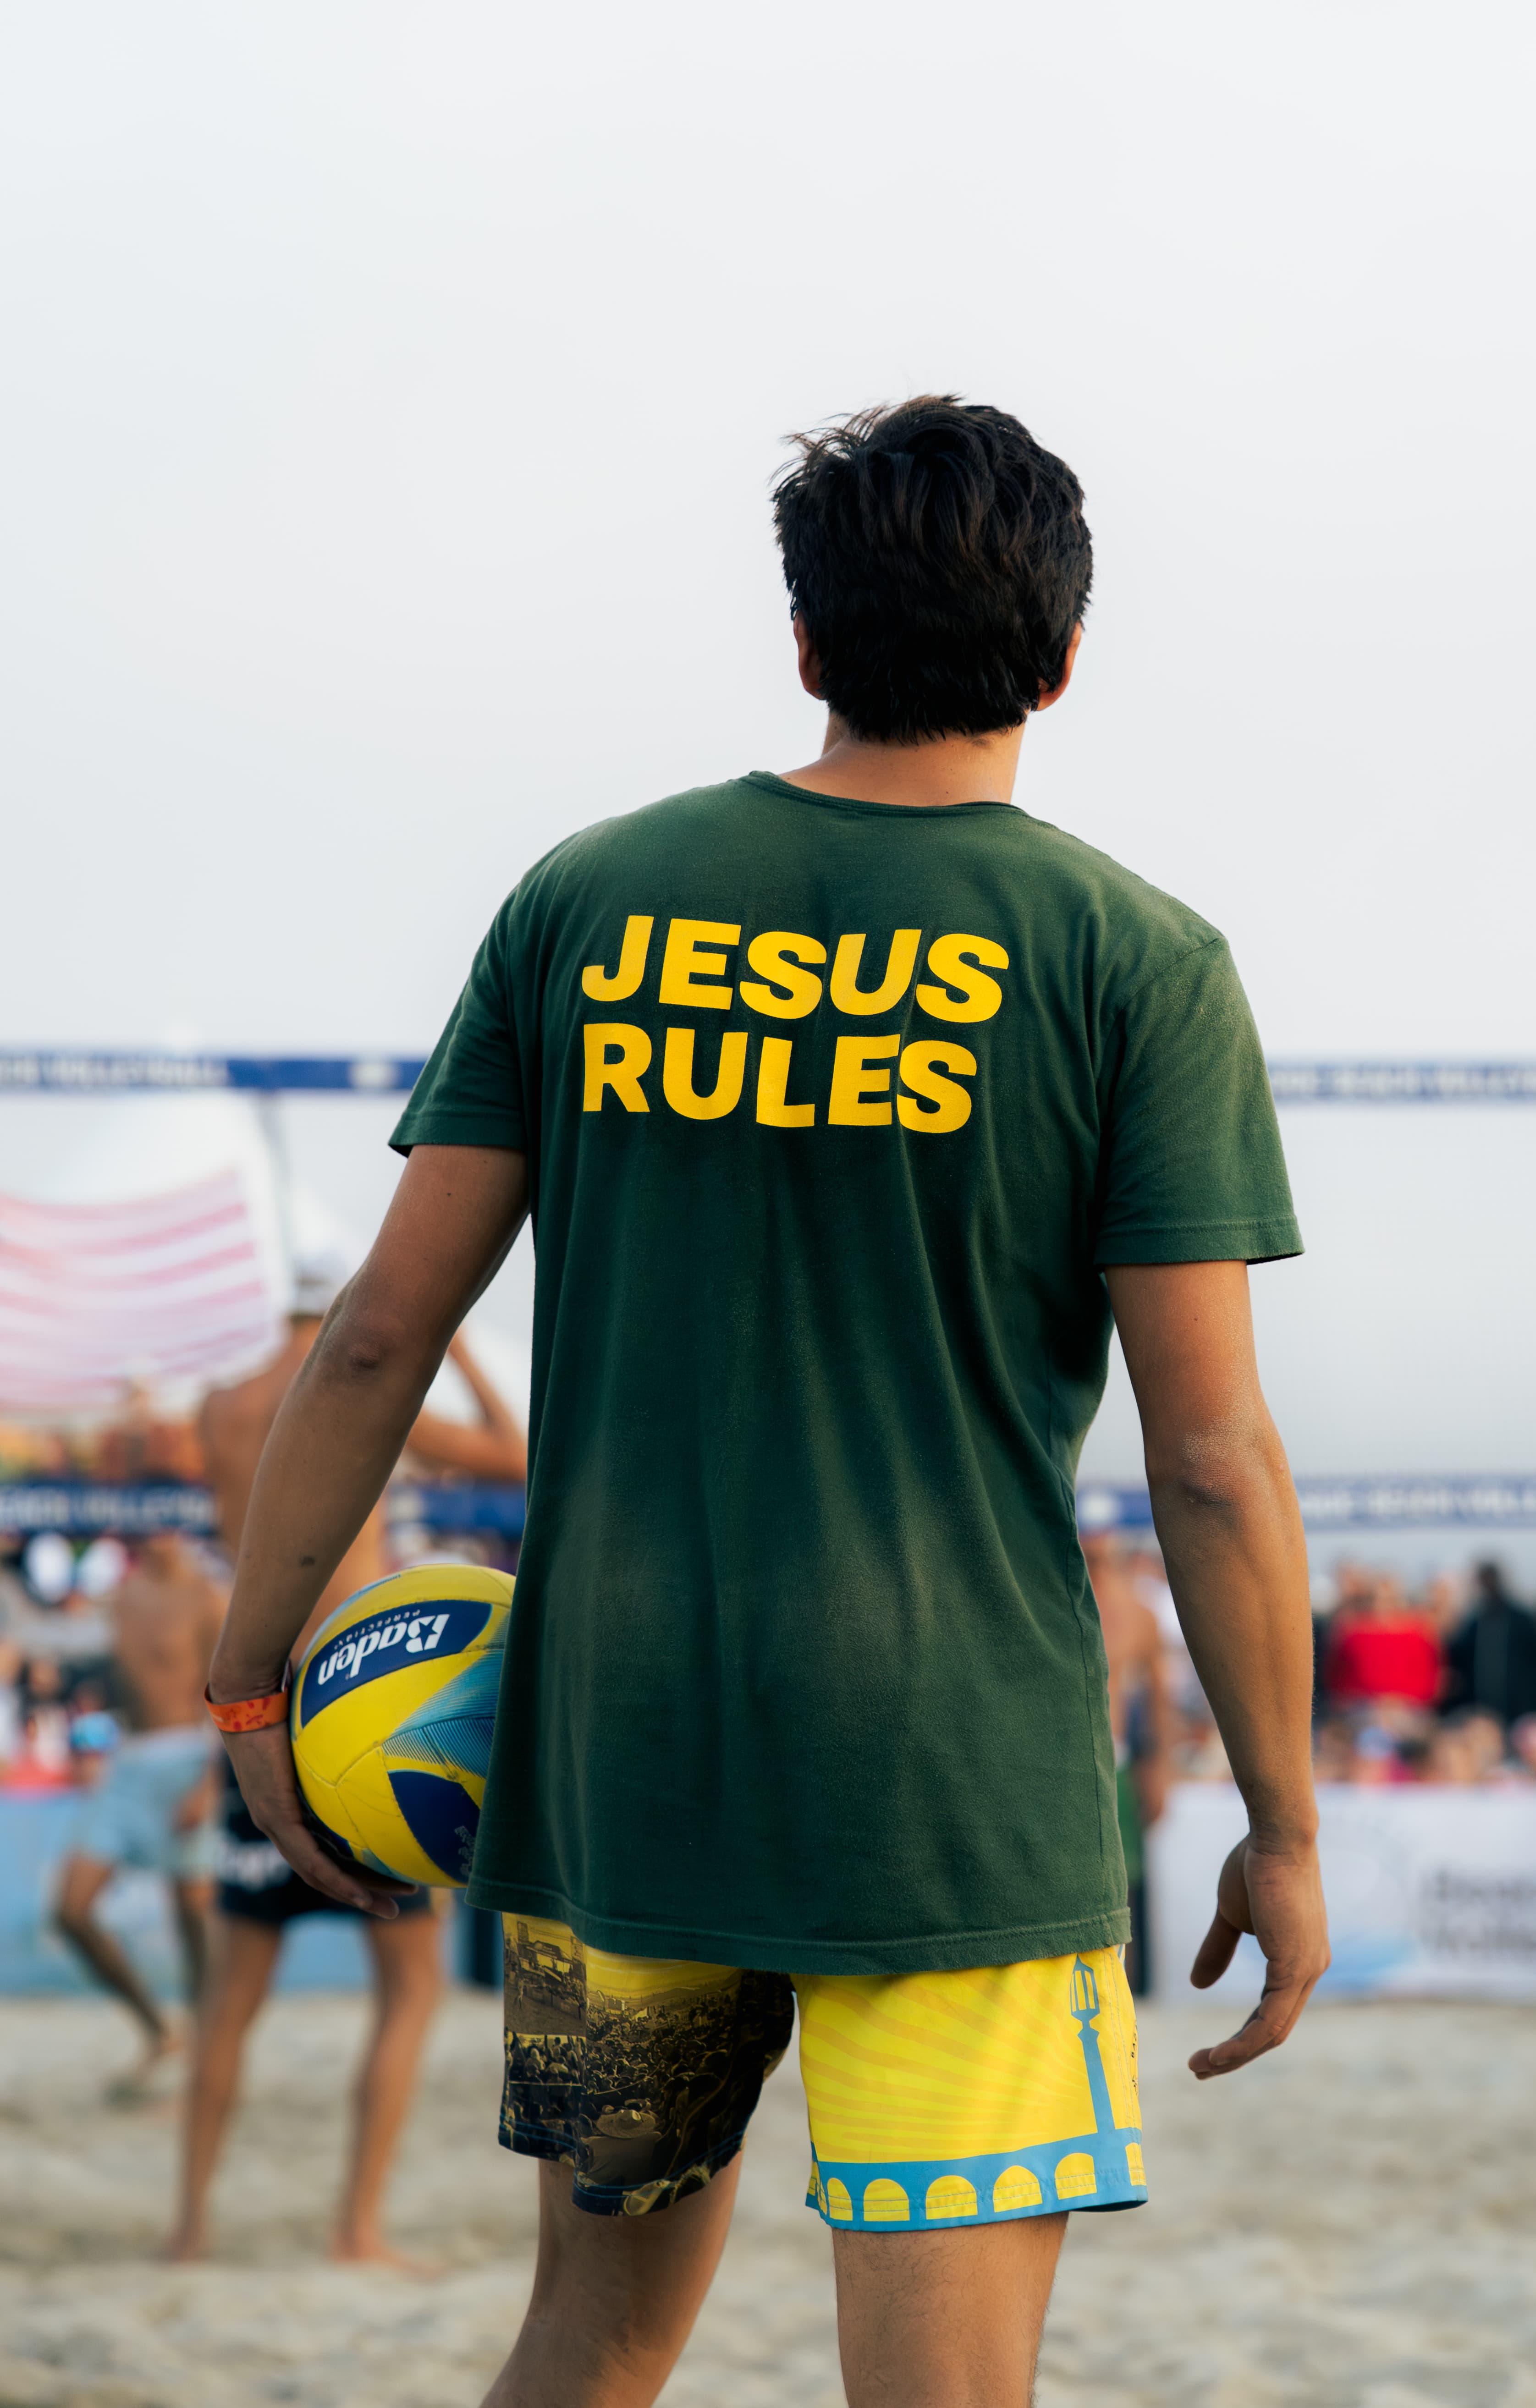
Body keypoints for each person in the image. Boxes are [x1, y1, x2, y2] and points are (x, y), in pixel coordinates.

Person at [206, 397, 1329, 2406]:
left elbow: (377, 1332)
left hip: (619, 1763)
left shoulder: (589, 896)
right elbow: (1214, 1463)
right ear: (1062, 659)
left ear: (803, 643)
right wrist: (1283, 1818)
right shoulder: (1135, 961)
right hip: (951, 1792)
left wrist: (247, 1673)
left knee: (592, 2342)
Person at [168, 1296, 522, 2265]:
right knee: (408, 1993)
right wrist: (454, 1341)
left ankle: (190, 2225)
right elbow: (518, 1455)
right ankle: (356, 2226)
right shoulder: (380, 1391)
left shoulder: (222, 1406)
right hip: (365, 1712)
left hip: (263, 1714)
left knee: (230, 2001)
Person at [53, 1529, 226, 2093]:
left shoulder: (207, 1596)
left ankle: (206, 2051)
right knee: (71, 1909)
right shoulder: (120, 1594)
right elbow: (92, 1677)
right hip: (128, 1760)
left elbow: (235, 1690)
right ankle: (159, 2030)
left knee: (194, 1913)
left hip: (190, 1755)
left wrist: (209, 1781)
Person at [1080, 1522, 1176, 1993]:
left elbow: (1160, 1697)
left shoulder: (1138, 1614)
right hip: (1072, 1758)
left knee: (1127, 1883)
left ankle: (1130, 1986)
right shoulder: (1062, 1601)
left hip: (1115, 1758)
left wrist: (1160, 1767)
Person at [1443, 1562, 1536, 1726]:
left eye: (1489, 1580)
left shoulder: (1521, 1619)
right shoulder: (1475, 1621)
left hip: (1518, 1708)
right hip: (1482, 1708)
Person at [1322, 1572, 1442, 1712]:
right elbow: (1337, 1679)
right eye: (1375, 1600)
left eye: (1389, 1601)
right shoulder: (1352, 1633)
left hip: (1408, 1710)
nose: (1381, 1607)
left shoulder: (1419, 1633)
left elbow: (1430, 1680)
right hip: (1361, 1709)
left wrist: (1397, 1701)